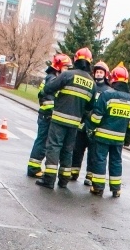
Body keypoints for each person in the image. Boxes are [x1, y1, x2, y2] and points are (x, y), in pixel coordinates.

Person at [36, 47, 95, 189]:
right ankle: (63, 181)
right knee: (68, 150)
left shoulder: (68, 75)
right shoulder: (92, 83)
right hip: (75, 123)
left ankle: (49, 180)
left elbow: (49, 88)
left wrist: (44, 92)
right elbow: (90, 106)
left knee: (54, 147)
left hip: (59, 119)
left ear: (76, 59)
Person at [88, 64, 130, 198]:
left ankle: (98, 188)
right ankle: (116, 189)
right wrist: (127, 137)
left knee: (100, 160)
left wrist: (90, 127)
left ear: (113, 79)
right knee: (116, 161)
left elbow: (96, 116)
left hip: (102, 136)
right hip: (119, 139)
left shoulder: (107, 95)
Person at [26, 53, 72, 178]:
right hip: (47, 116)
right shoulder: (52, 79)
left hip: (46, 115)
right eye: (66, 68)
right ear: (58, 67)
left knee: (43, 141)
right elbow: (49, 99)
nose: (67, 71)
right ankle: (33, 168)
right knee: (42, 142)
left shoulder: (51, 78)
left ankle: (34, 167)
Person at [71, 60, 110, 184]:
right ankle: (73, 172)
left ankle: (89, 176)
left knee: (93, 153)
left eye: (101, 72)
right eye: (97, 72)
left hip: (96, 126)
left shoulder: (108, 90)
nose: (98, 74)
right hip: (83, 123)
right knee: (77, 149)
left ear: (105, 74)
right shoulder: (90, 85)